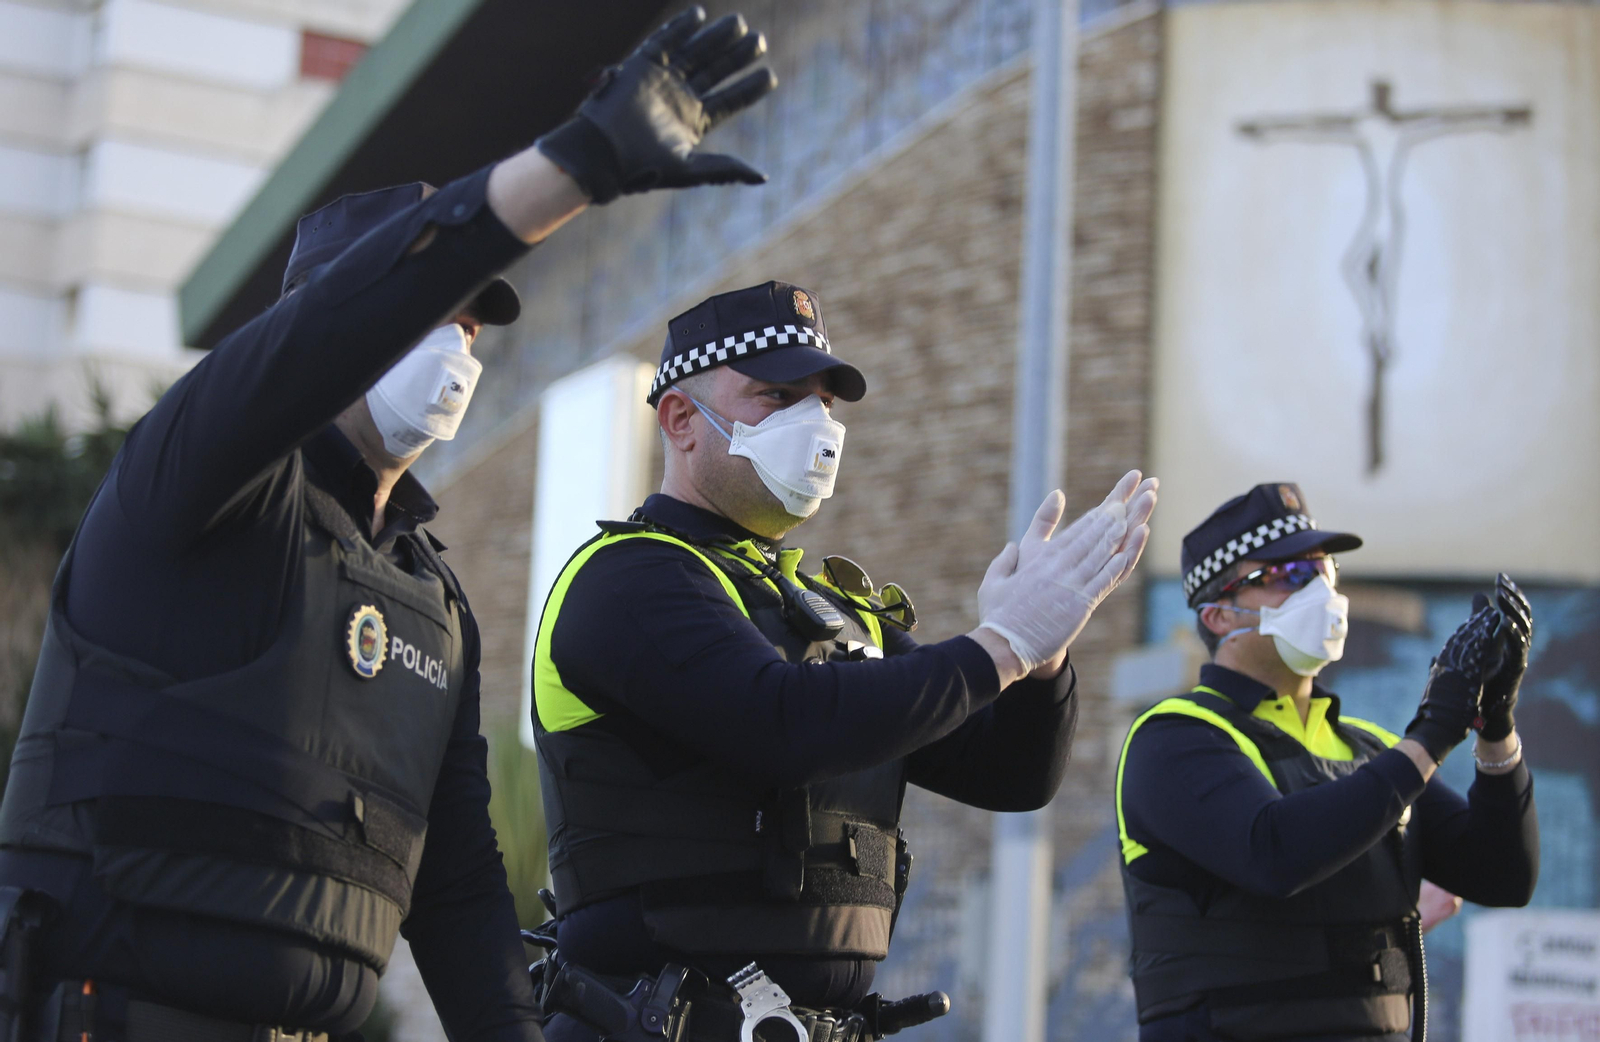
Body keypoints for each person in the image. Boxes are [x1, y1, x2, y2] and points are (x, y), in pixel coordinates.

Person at [0, 8, 777, 1041]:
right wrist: (573, 167)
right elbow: (330, 331)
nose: (458, 344)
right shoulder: (195, 479)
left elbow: (453, 891)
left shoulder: (429, 599)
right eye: (435, 310)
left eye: (471, 323)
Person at [527, 278, 1160, 1042]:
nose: (814, 424)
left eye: (824, 402)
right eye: (778, 396)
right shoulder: (628, 579)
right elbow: (779, 723)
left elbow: (1011, 774)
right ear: (681, 418)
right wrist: (1001, 644)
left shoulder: (833, 610)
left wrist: (1044, 657)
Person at [1114, 482, 1540, 1042]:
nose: (1318, 590)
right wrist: (1432, 733)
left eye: (1325, 572)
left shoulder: (1370, 749)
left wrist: (1496, 726)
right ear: (1218, 615)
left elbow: (1503, 874)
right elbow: (1275, 853)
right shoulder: (1173, 737)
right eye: (1289, 576)